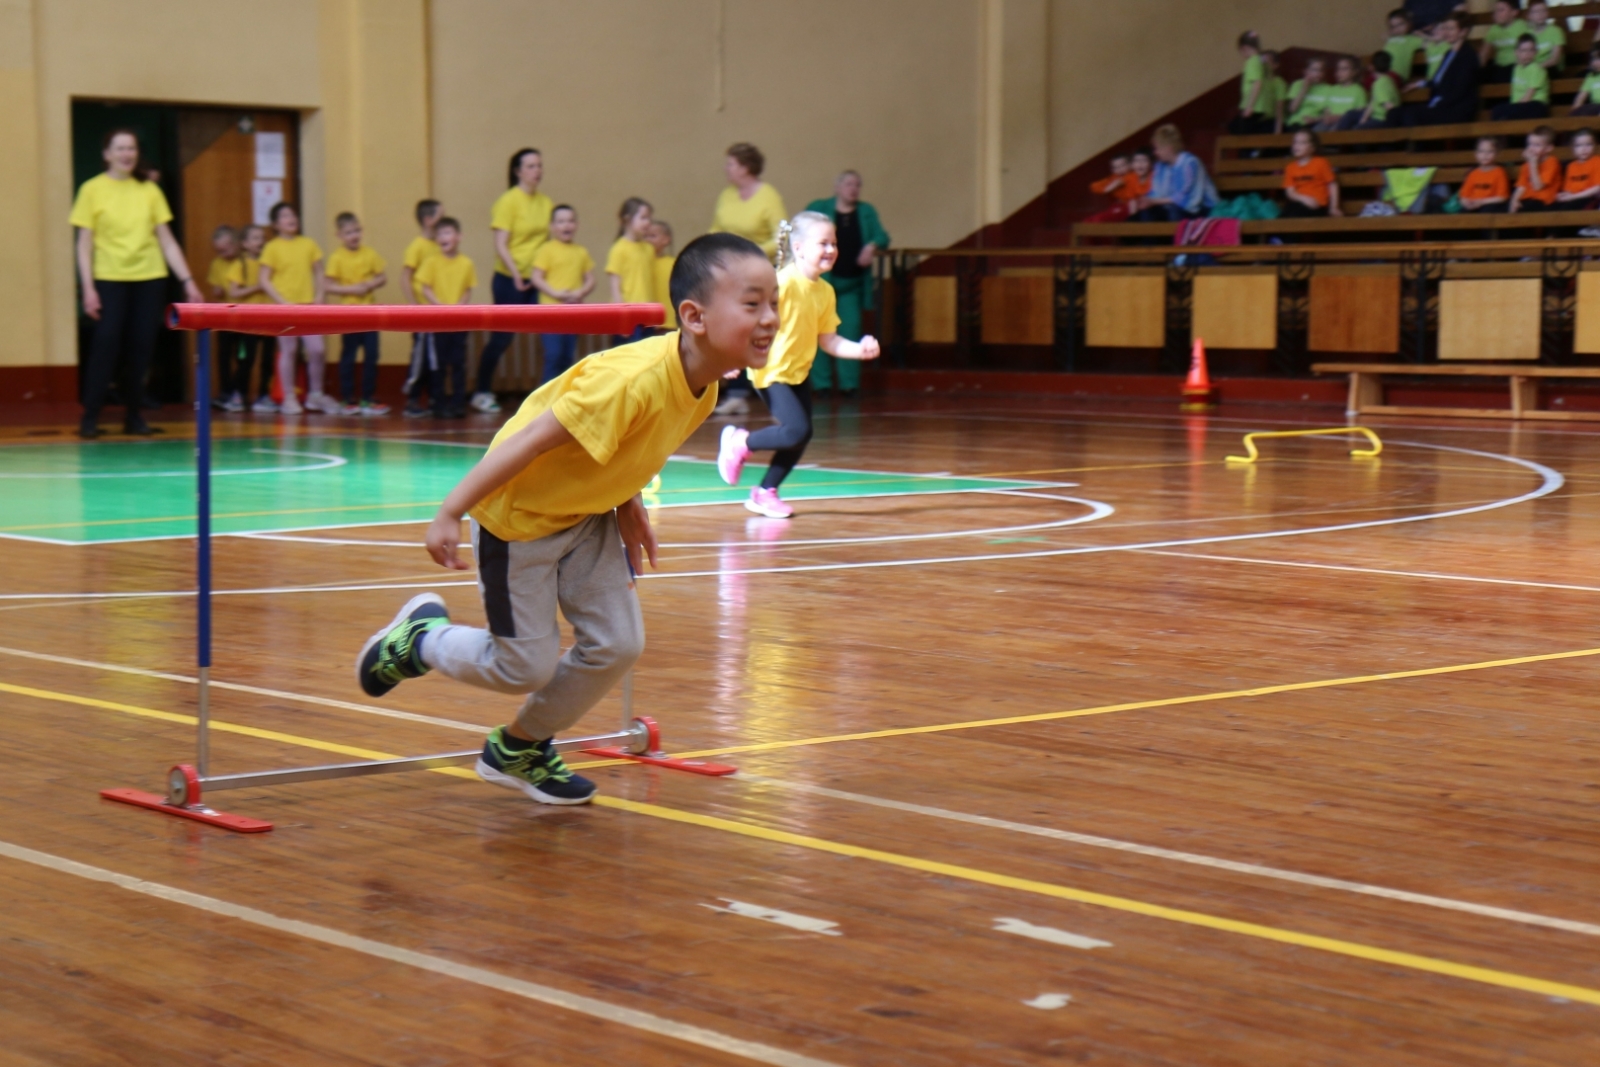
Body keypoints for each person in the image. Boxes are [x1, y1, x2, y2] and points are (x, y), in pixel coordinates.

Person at [354, 233, 779, 806]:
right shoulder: (628, 382)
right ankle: (419, 640)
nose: (770, 318)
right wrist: (451, 510)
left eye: (773, 303)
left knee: (618, 643)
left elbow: (625, 447)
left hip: (587, 517)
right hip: (519, 519)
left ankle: (518, 748)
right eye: (752, 304)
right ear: (694, 316)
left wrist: (626, 501)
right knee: (521, 666)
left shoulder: (702, 382)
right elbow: (530, 439)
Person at [714, 213, 881, 518]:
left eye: (834, 243)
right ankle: (740, 442)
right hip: (771, 370)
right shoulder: (782, 283)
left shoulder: (825, 292)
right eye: (823, 243)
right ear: (800, 247)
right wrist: (732, 357)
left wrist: (860, 350)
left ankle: (765, 492)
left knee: (801, 434)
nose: (830, 249)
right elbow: (748, 323)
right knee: (796, 430)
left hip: (798, 373)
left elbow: (829, 340)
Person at [69, 128, 204, 439]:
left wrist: (188, 281)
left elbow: (167, 241)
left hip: (149, 278)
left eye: (131, 148)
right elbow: (83, 244)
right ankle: (90, 417)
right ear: (107, 154)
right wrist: (88, 288)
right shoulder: (91, 190)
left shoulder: (149, 191)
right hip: (109, 278)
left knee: (141, 348)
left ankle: (134, 416)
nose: (126, 154)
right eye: (119, 148)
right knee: (106, 345)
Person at [476, 148, 554, 415]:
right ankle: (481, 390)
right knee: (502, 338)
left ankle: (550, 395)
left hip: (536, 280)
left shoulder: (545, 203)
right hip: (510, 279)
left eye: (539, 165)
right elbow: (501, 244)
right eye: (531, 166)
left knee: (552, 334)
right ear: (518, 171)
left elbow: (549, 244)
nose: (537, 170)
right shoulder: (508, 201)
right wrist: (518, 274)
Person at [709, 143, 785, 416]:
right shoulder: (726, 195)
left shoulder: (768, 196)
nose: (726, 169)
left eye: (731, 164)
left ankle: (768, 390)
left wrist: (748, 253)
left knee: (753, 329)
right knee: (731, 329)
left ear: (745, 167)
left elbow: (780, 236)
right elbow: (716, 229)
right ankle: (734, 391)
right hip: (730, 275)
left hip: (757, 273)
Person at [804, 170, 890, 398]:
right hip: (822, 284)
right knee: (818, 332)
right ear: (838, 187)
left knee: (850, 330)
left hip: (850, 286)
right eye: (849, 184)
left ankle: (849, 385)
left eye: (857, 185)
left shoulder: (866, 212)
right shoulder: (820, 207)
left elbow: (882, 237)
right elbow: (802, 229)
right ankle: (821, 384)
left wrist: (871, 246)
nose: (853, 189)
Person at [258, 202, 334, 416]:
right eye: (284, 216)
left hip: (309, 306)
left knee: (317, 350)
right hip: (284, 308)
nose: (290, 218)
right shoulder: (272, 247)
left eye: (292, 214)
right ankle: (289, 397)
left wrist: (320, 296)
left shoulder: (308, 244)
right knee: (289, 351)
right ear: (275, 224)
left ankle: (316, 395)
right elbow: (264, 279)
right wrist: (281, 302)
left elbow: (319, 272)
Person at [324, 211, 390, 416]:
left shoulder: (369, 254)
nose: (354, 236)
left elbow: (382, 277)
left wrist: (369, 284)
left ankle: (368, 399)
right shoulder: (337, 257)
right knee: (348, 357)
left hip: (370, 314)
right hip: (348, 315)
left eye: (357, 231)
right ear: (339, 235)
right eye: (348, 232)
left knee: (372, 355)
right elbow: (328, 285)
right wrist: (352, 290)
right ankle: (347, 400)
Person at [414, 217, 477, 418]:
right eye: (440, 234)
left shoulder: (466, 263)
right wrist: (439, 306)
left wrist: (460, 306)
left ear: (459, 237)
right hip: (437, 321)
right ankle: (438, 404)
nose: (443, 237)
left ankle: (459, 404)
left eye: (448, 233)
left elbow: (467, 289)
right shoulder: (431, 262)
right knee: (438, 365)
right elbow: (425, 287)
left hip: (459, 320)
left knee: (458, 363)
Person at [529, 204, 596, 384]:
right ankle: (545, 400)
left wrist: (581, 292)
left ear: (577, 224)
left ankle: (562, 401)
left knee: (567, 357)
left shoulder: (581, 252)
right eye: (561, 222)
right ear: (552, 226)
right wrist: (556, 293)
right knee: (553, 355)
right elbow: (536, 277)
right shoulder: (547, 250)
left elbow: (590, 279)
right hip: (550, 313)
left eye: (570, 221)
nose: (566, 225)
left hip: (573, 312)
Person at [224, 225, 275, 413]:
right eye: (255, 238)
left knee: (267, 360)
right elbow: (234, 291)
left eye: (262, 237)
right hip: (248, 320)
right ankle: (238, 394)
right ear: (245, 244)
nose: (260, 242)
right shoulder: (240, 265)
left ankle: (264, 395)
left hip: (269, 317)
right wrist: (256, 288)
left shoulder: (269, 263)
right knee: (247, 359)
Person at [402, 199, 443, 419]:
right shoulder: (417, 246)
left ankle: (433, 399)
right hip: (423, 313)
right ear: (428, 220)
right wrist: (413, 307)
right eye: (439, 216)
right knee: (420, 359)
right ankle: (412, 400)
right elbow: (406, 278)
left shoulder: (440, 245)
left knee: (435, 359)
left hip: (437, 312)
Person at [1402, 14, 1480, 126]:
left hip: (1456, 109)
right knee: (1396, 113)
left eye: (1451, 29)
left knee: (1412, 114)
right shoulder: (1448, 53)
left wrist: (1438, 103)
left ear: (1463, 31)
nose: (1446, 32)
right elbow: (1439, 80)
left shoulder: (1468, 56)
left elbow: (1459, 90)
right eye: (1445, 28)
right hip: (1442, 105)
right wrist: (1420, 84)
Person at [1135, 125, 1218, 222]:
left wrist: (1154, 201)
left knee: (1173, 211)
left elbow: (1186, 198)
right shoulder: (1160, 166)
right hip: (1171, 206)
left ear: (1168, 148)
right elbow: (1156, 191)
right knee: (1144, 213)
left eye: (1157, 148)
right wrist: (1146, 200)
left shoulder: (1190, 163)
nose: (1155, 152)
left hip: (1201, 208)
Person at [605, 197, 657, 346]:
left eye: (649, 218)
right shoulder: (619, 249)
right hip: (628, 315)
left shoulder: (648, 248)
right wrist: (622, 316)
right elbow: (615, 286)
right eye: (643, 218)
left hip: (646, 314)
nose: (648, 222)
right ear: (627, 220)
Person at [204, 225, 245, 412]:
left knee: (244, 356)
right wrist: (217, 291)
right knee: (223, 356)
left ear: (236, 243)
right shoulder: (216, 264)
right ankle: (225, 392)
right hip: (225, 317)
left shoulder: (246, 261)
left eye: (227, 247)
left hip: (245, 317)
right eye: (219, 250)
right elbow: (216, 288)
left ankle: (239, 391)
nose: (224, 252)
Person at [1281, 131, 1341, 217]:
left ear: (1312, 147)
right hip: (1299, 203)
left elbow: (1332, 185)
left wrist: (1334, 207)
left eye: (1302, 143)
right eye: (1295, 142)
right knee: (1286, 215)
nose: (1297, 146)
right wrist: (1304, 199)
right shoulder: (1290, 167)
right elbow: (1290, 192)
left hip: (1318, 206)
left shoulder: (1321, 163)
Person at [1492, 34, 1551, 121]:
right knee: (1497, 110)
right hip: (1522, 106)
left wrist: (1513, 109)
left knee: (1501, 111)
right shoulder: (1517, 69)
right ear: (1516, 52)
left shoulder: (1537, 69)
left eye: (1531, 50)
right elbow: (1515, 94)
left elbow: (1529, 95)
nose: (1527, 54)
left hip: (1536, 106)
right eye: (1523, 50)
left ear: (1536, 52)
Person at [1231, 31, 1274, 135]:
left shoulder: (1251, 62)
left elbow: (1257, 83)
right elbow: (1270, 77)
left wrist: (1249, 106)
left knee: (1234, 128)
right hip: (1263, 106)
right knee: (1250, 130)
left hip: (1254, 106)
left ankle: (1252, 151)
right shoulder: (1261, 61)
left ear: (1244, 48)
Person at [1510, 126, 1560, 214]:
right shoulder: (1526, 165)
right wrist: (1514, 200)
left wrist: (1533, 164)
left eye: (1537, 145)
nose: (1532, 148)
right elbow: (1521, 186)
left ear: (1549, 148)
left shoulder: (1552, 162)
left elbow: (1538, 186)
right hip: (1527, 200)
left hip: (1544, 202)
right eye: (1530, 144)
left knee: (1528, 209)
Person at [1345, 51, 1401, 128]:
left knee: (1356, 129)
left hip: (1382, 119)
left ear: (1372, 66)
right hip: (1379, 117)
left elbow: (1388, 105)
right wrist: (1363, 119)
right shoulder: (1389, 80)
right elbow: (1373, 102)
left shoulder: (1379, 84)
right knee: (1351, 115)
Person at [1458, 136, 1511, 213]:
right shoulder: (1473, 173)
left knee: (1486, 211)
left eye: (1490, 152)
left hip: (1490, 204)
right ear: (1476, 154)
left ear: (1496, 154)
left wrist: (1481, 202)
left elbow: (1502, 197)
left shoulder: (1499, 172)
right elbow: (1464, 196)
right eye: (1481, 151)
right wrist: (1467, 204)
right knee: (1462, 213)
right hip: (1474, 204)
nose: (1485, 155)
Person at [1480, 0, 1529, 84]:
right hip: (1499, 67)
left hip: (1517, 67)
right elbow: (1483, 56)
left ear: (1514, 12)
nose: (1496, 14)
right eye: (1495, 11)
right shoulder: (1493, 30)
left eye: (1501, 10)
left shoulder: (1522, 27)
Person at [1317, 56, 1369, 131]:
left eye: (1344, 69)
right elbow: (1327, 109)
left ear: (1354, 72)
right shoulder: (1333, 89)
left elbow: (1359, 113)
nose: (1340, 72)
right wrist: (1327, 117)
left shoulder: (1359, 91)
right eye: (1338, 69)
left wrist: (1338, 118)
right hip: (1328, 122)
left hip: (1345, 123)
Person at [1557, 129, 1600, 209]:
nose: (1584, 149)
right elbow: (1568, 189)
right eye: (1579, 145)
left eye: (1588, 144)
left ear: (1594, 145)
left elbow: (1597, 188)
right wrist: (1564, 195)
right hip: (1574, 198)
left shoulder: (1597, 161)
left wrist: (1573, 197)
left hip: (1590, 198)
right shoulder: (1571, 166)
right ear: (1573, 149)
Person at [646, 220, 677, 330]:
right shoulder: (643, 263)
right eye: (645, 236)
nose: (647, 240)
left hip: (669, 321)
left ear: (666, 240)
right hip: (647, 322)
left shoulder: (673, 263)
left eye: (652, 236)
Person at [1285, 57, 1331, 131]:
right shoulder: (1297, 84)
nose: (1318, 73)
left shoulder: (1329, 89)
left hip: (1315, 124)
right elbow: (1292, 109)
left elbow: (1327, 114)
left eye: (1321, 70)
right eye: (1314, 70)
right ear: (1306, 71)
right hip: (1295, 123)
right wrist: (1304, 88)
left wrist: (1315, 119)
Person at [1383, 8, 1423, 82]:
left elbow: (1429, 44)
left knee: (1382, 82)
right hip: (1383, 72)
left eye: (1400, 24)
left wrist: (1423, 35)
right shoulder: (1390, 40)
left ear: (1409, 23)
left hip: (1397, 75)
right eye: (1393, 27)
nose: (1397, 29)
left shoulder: (1413, 39)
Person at [1527, 1, 1566, 71]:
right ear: (1529, 15)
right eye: (1536, 12)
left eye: (1543, 10)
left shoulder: (1556, 31)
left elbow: (1555, 59)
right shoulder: (1527, 34)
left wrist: (1537, 68)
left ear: (1548, 12)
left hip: (1551, 68)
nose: (1540, 14)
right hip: (1533, 69)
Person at [1571, 46, 1600, 116]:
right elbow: (1580, 99)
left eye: (1597, 59)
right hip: (1596, 108)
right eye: (1593, 59)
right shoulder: (1591, 76)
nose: (1594, 63)